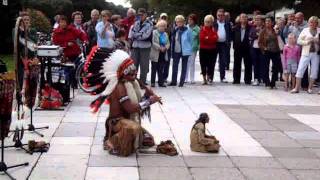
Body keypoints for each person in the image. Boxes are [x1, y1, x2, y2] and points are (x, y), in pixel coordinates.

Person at [84, 48, 162, 157]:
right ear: (122, 72)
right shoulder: (120, 87)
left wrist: (146, 96)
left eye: (134, 69)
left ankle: (121, 139)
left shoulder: (131, 83)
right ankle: (110, 141)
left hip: (127, 120)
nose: (134, 72)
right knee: (133, 130)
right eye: (130, 70)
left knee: (148, 140)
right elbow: (130, 108)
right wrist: (149, 101)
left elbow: (136, 106)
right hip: (117, 122)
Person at [52, 15, 88, 97]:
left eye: (64, 22)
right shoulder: (56, 32)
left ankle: (75, 84)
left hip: (75, 52)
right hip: (64, 55)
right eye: (61, 22)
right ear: (59, 23)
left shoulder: (71, 29)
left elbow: (81, 34)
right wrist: (66, 44)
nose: (63, 24)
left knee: (76, 69)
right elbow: (55, 44)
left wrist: (85, 40)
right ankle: (67, 86)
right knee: (67, 71)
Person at [291, 16, 320, 94]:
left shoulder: (319, 30)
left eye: (314, 22)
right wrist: (307, 42)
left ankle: (310, 88)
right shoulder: (305, 30)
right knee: (300, 69)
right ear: (309, 23)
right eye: (311, 22)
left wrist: (317, 41)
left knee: (314, 70)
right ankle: (296, 88)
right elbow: (299, 41)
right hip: (306, 53)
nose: (312, 24)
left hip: (316, 54)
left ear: (317, 23)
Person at [129, 8, 154, 85]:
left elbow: (146, 36)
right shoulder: (135, 23)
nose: (140, 16)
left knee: (144, 66)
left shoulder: (150, 24)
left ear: (146, 15)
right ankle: (134, 82)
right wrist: (139, 35)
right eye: (139, 14)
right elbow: (132, 33)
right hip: (135, 46)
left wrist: (137, 35)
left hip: (145, 47)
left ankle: (142, 82)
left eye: (142, 14)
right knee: (133, 65)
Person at [169, 15, 193, 87]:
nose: (179, 23)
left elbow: (191, 41)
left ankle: (181, 82)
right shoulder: (174, 29)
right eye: (177, 22)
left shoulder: (188, 30)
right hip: (176, 50)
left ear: (183, 22)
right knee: (175, 66)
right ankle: (173, 81)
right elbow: (172, 40)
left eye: (180, 22)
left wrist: (189, 49)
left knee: (184, 66)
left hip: (185, 51)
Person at [258, 17, 282, 89]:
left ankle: (273, 83)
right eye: (266, 21)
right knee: (265, 67)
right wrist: (264, 48)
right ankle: (267, 82)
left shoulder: (275, 30)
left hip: (276, 51)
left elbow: (280, 40)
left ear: (272, 23)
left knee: (275, 68)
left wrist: (277, 33)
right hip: (267, 51)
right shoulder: (263, 31)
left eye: (269, 21)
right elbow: (260, 42)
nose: (267, 22)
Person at [213, 8, 232, 83]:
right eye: (219, 15)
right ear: (216, 15)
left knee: (222, 61)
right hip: (215, 43)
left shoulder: (227, 23)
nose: (220, 17)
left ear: (224, 16)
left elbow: (230, 33)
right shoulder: (213, 23)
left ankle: (222, 77)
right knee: (213, 60)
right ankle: (210, 77)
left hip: (224, 44)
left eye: (222, 15)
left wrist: (229, 41)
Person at [232, 13, 252, 85]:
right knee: (237, 64)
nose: (243, 18)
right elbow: (233, 38)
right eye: (242, 17)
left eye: (245, 17)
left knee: (248, 64)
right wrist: (234, 46)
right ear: (239, 19)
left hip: (247, 48)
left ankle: (248, 80)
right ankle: (236, 79)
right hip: (237, 48)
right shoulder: (235, 28)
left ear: (247, 19)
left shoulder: (250, 28)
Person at [150, 20, 170, 87]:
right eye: (161, 26)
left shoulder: (165, 34)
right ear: (158, 26)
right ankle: (152, 82)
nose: (162, 28)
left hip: (163, 53)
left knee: (161, 68)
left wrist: (166, 48)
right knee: (154, 68)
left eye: (164, 26)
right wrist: (159, 48)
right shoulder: (154, 32)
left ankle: (160, 82)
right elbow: (153, 42)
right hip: (156, 52)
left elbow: (168, 43)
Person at [199, 15, 218, 85]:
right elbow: (201, 38)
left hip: (212, 49)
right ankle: (204, 79)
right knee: (203, 64)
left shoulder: (214, 30)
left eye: (209, 22)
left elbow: (216, 38)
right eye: (206, 22)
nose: (207, 23)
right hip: (203, 49)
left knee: (211, 64)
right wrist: (210, 38)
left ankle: (209, 78)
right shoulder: (202, 29)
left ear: (212, 23)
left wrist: (207, 38)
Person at [249, 15, 264, 86]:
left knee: (262, 63)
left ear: (261, 21)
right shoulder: (252, 28)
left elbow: (265, 37)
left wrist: (258, 35)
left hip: (262, 48)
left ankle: (262, 77)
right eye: (256, 20)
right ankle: (256, 78)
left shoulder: (264, 28)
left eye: (259, 19)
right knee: (255, 64)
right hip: (254, 48)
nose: (257, 21)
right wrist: (257, 35)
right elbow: (251, 36)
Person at [185, 14, 200, 84]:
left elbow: (199, 39)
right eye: (188, 19)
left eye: (191, 20)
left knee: (192, 63)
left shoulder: (197, 28)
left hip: (193, 48)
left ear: (194, 20)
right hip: (186, 48)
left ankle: (192, 78)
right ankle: (185, 78)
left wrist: (199, 46)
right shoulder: (185, 27)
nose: (189, 21)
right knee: (186, 63)